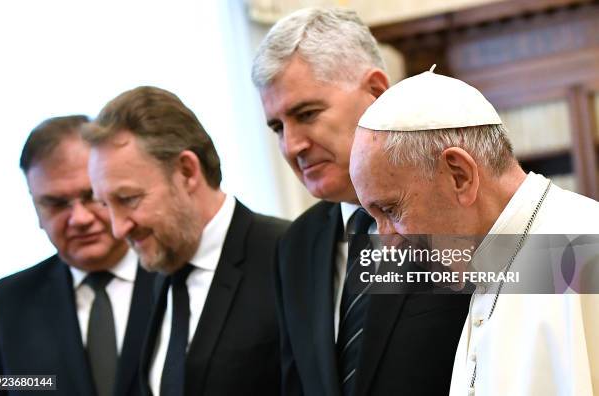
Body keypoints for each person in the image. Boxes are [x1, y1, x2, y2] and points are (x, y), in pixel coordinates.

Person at [252, 7, 470, 396]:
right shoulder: (295, 246)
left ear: (377, 92)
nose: (291, 144)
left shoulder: (461, 209)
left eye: (307, 113)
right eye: (277, 127)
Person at [349, 67, 599, 395]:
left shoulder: (585, 247)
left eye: (392, 210)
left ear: (459, 175)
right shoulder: (485, 268)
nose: (388, 243)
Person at [82, 86, 289, 396]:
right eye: (105, 205)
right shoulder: (154, 269)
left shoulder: (286, 253)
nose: (118, 228)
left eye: (128, 199)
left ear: (187, 171)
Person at [0, 115, 156, 396]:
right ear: (35, 208)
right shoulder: (9, 301)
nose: (79, 218)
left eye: (91, 196)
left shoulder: (176, 275)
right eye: (56, 203)